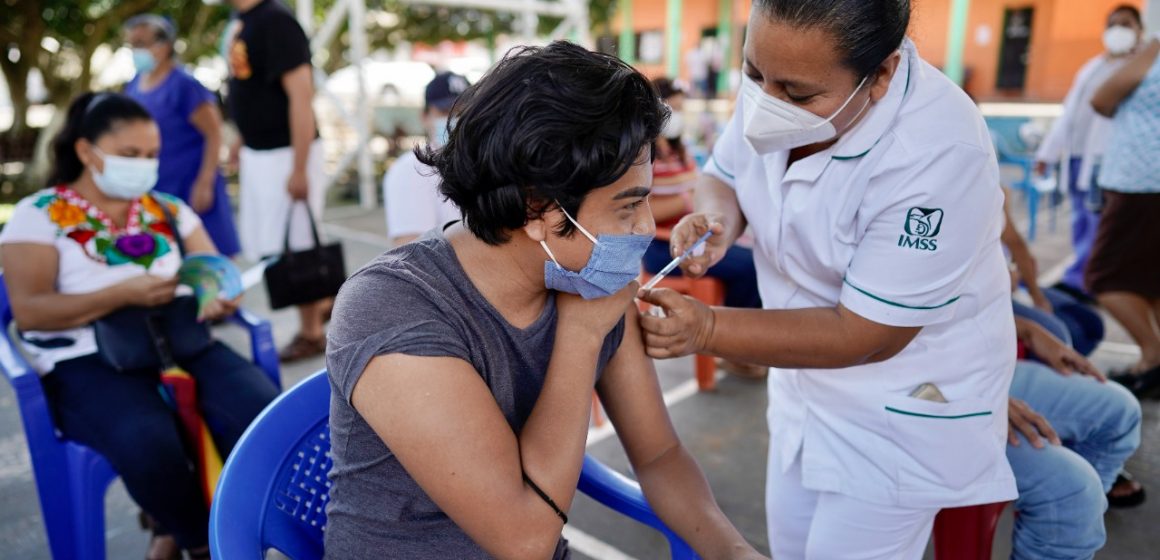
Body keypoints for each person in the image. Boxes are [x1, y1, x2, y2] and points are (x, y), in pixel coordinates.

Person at [325, 42, 765, 559]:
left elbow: (660, 454)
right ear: (537, 207)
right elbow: (525, 541)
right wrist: (578, 336)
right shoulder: (393, 307)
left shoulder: (585, 274)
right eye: (628, 208)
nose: (646, 229)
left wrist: (731, 550)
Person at [637, 1, 1017, 557]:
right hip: (803, 391)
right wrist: (719, 219)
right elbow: (725, 173)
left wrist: (707, 329)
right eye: (752, 75)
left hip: (900, 411)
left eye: (797, 94)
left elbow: (868, 334)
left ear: (880, 74)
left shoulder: (938, 152)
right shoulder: (784, 72)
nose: (767, 102)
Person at [0, 93, 278, 560]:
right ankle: (197, 541)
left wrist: (220, 297)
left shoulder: (167, 209)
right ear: (88, 152)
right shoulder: (38, 214)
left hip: (180, 341)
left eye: (151, 155)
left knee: (261, 415)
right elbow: (30, 312)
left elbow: (213, 271)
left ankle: (245, 528)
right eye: (130, 155)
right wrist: (120, 294)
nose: (144, 165)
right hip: (84, 358)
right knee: (146, 439)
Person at [222, 0, 330, 362]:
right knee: (276, 243)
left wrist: (298, 167)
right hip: (262, 153)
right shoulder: (244, 20)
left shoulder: (276, 21)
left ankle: (312, 332)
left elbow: (301, 96)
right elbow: (254, 91)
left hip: (287, 153)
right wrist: (242, 140)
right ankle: (323, 304)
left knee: (298, 244)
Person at [645, 77, 764, 379]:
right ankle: (734, 349)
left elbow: (707, 189)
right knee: (749, 267)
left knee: (756, 260)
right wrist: (685, 202)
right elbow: (642, 213)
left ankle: (742, 346)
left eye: (683, 108)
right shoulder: (642, 156)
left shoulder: (679, 150)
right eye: (674, 108)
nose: (679, 115)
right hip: (663, 248)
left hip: (693, 239)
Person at [1034, 5, 1146, 302]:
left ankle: (1088, 281)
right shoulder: (1092, 66)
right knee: (1080, 218)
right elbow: (1069, 114)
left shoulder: (1140, 70)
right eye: (1113, 24)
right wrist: (1048, 153)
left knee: (1099, 219)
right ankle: (1079, 277)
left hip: (1105, 158)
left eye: (1126, 24)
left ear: (1140, 31)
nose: (1118, 30)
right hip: (1077, 155)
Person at [1006, 316, 1143, 558]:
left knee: (1121, 411)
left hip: (978, 366)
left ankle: (1076, 533)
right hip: (932, 394)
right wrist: (973, 398)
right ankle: (1072, 524)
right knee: (1075, 491)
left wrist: (1028, 328)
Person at [123, 14, 241, 258]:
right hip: (157, 186)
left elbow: (214, 133)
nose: (135, 51)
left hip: (192, 186)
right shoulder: (134, 84)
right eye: (131, 44)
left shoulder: (184, 85)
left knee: (211, 258)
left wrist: (205, 181)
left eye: (141, 43)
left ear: (164, 45)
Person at [1089, 32, 1160, 396]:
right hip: (1145, 183)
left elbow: (1101, 99)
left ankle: (1152, 357)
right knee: (1150, 283)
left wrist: (1151, 47)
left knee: (1103, 278)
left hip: (1141, 183)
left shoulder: (1153, 52)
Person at [1001, 193, 1105, 357]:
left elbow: (1016, 244)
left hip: (1012, 283)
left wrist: (1036, 294)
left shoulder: (989, 186)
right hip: (993, 292)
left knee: (1091, 324)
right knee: (1065, 335)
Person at [383, 72, 466, 247]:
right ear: (424, 116)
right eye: (445, 111)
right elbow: (411, 251)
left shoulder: (486, 162)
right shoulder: (411, 169)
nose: (456, 118)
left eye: (464, 111)